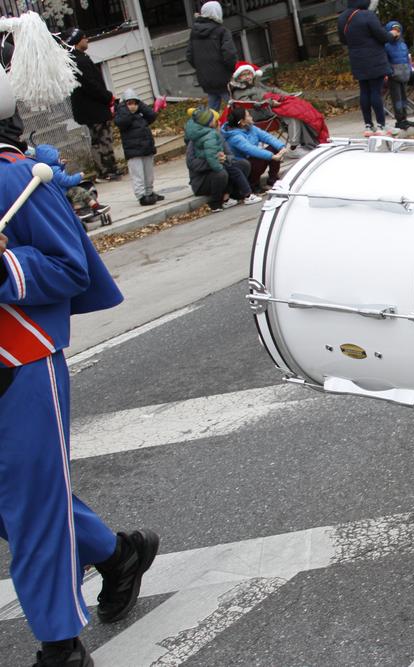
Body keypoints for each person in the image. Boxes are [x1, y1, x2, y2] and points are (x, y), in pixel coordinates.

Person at [0, 63, 159, 667]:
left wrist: (4, 270)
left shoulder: (13, 176)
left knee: (34, 508)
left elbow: (71, 267)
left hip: (17, 362)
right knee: (16, 503)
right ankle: (117, 554)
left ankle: (60, 646)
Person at [227, 61, 328, 153]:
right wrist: (269, 102)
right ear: (238, 77)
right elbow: (250, 104)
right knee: (293, 116)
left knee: (301, 110)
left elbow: (273, 90)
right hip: (259, 113)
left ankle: (309, 143)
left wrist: (287, 96)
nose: (247, 77)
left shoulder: (257, 84)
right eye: (244, 75)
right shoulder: (238, 91)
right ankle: (294, 148)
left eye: (248, 73)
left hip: (271, 106)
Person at [65, 28, 121, 182]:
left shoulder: (76, 59)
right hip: (94, 109)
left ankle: (106, 170)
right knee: (103, 140)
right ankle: (107, 170)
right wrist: (108, 97)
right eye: (84, 37)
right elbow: (91, 85)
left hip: (90, 109)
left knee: (98, 140)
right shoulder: (79, 61)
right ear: (77, 41)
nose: (87, 39)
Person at [338, 0, 395, 137]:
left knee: (364, 91)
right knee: (376, 91)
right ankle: (381, 125)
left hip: (357, 59)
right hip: (374, 58)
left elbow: (343, 40)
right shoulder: (367, 15)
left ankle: (368, 126)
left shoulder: (342, 17)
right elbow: (382, 36)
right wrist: (392, 34)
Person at [184, 106, 258, 210]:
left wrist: (225, 157)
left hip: (220, 167)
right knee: (221, 172)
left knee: (243, 164)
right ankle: (216, 201)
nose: (219, 122)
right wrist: (213, 161)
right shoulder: (194, 141)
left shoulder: (217, 136)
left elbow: (230, 154)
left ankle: (233, 194)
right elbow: (191, 163)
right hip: (203, 180)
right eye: (216, 120)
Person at [29, 143, 110, 219]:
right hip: (63, 192)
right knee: (78, 191)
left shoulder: (49, 169)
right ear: (52, 158)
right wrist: (79, 176)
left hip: (59, 191)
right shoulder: (54, 170)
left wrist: (61, 165)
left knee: (80, 191)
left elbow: (59, 177)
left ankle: (94, 206)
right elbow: (66, 181)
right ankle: (82, 210)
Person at [186, 1, 238, 111]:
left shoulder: (194, 32)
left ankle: (210, 126)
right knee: (235, 107)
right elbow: (229, 54)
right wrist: (234, 70)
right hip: (224, 78)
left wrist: (202, 68)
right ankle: (240, 126)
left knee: (212, 109)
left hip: (205, 78)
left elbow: (189, 56)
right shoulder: (222, 31)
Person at [114, 88, 163, 206]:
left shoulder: (141, 114)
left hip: (146, 148)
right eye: (129, 103)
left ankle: (149, 192)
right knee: (138, 175)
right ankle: (141, 195)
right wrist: (126, 110)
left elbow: (152, 115)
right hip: (133, 151)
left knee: (148, 174)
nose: (133, 106)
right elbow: (122, 122)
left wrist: (140, 105)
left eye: (135, 103)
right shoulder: (122, 115)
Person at [221, 105, 286, 192]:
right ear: (242, 122)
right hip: (243, 168)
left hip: (252, 162)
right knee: (259, 156)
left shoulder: (250, 127)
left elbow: (267, 137)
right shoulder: (235, 137)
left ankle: (273, 180)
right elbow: (251, 150)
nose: (251, 116)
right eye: (248, 115)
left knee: (274, 148)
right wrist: (272, 156)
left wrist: (281, 147)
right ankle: (253, 185)